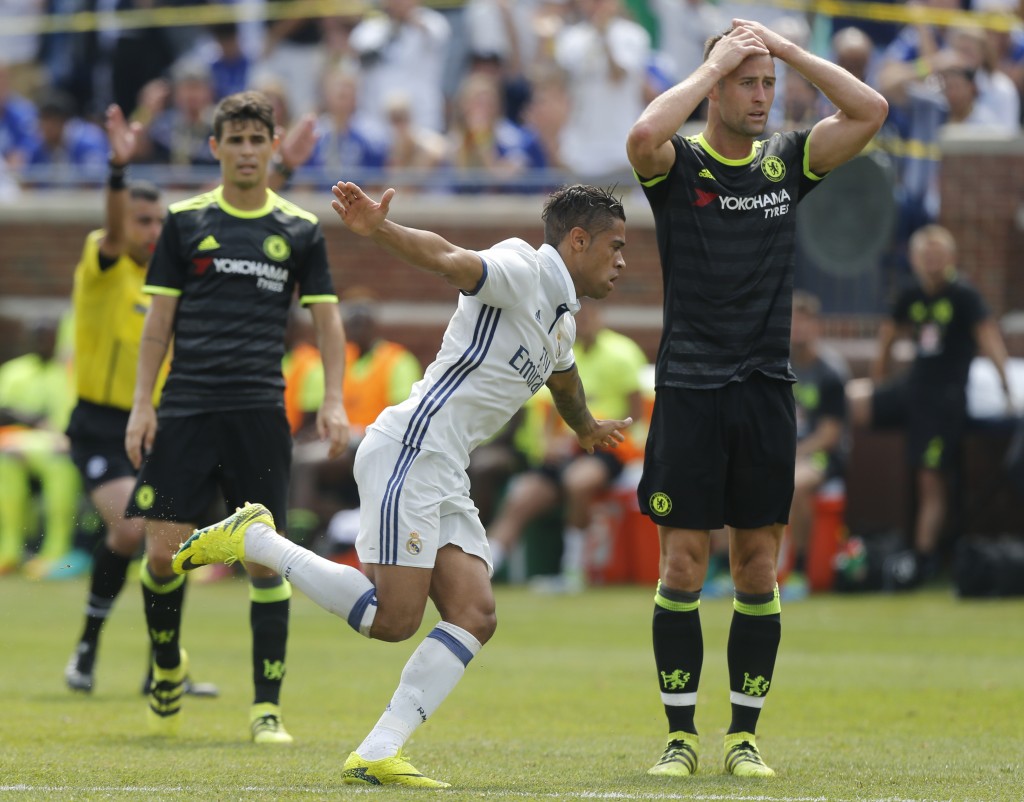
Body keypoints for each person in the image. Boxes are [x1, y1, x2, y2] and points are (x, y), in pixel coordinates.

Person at [171, 179, 632, 787]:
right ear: (578, 241)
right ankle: (257, 539)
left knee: (475, 613)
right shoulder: (522, 267)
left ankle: (378, 751)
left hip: (445, 466)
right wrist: (380, 229)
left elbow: (565, 384)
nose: (623, 261)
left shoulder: (563, 322)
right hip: (411, 448)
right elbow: (448, 259)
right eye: (615, 247)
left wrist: (588, 428)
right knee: (393, 620)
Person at [625, 18, 887, 777]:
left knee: (755, 570)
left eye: (769, 85)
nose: (764, 97)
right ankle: (679, 737)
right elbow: (644, 133)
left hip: (765, 392)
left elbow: (870, 112)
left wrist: (788, 51)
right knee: (680, 567)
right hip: (688, 390)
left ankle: (743, 738)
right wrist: (715, 67)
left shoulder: (789, 161)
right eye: (751, 82)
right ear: (717, 87)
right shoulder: (680, 165)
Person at [123, 90, 350, 743]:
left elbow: (327, 322)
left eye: (259, 140)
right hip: (187, 406)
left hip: (258, 410)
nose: (248, 151)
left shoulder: (300, 230)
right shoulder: (183, 222)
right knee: (164, 557)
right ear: (216, 147)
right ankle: (167, 667)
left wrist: (332, 398)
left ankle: (266, 710)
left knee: (263, 560)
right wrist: (144, 402)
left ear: (273, 147)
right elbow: (157, 324)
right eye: (236, 140)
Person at [847, 224, 1012, 585]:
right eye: (926, 255)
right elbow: (888, 334)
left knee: (929, 479)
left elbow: (989, 337)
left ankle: (922, 560)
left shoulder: (963, 296)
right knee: (853, 400)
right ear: (916, 260)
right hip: (913, 389)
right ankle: (838, 494)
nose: (932, 262)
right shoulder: (912, 295)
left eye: (939, 255)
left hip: (944, 401)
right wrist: (879, 376)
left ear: (950, 258)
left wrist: (1005, 386)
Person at [486, 299, 647, 592]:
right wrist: (547, 445)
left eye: (588, 315)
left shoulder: (623, 353)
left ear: (600, 316)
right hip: (565, 452)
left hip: (608, 448)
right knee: (521, 495)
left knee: (578, 482)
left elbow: (636, 413)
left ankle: (572, 572)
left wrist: (600, 432)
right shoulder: (555, 352)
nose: (582, 321)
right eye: (576, 317)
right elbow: (546, 415)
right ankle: (482, 571)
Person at [783, 290, 849, 600]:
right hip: (782, 452)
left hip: (821, 457)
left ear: (816, 327)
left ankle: (798, 569)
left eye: (805, 323)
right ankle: (726, 567)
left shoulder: (830, 372)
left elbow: (830, 435)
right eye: (793, 322)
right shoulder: (775, 365)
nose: (799, 329)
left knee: (794, 484)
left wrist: (793, 454)